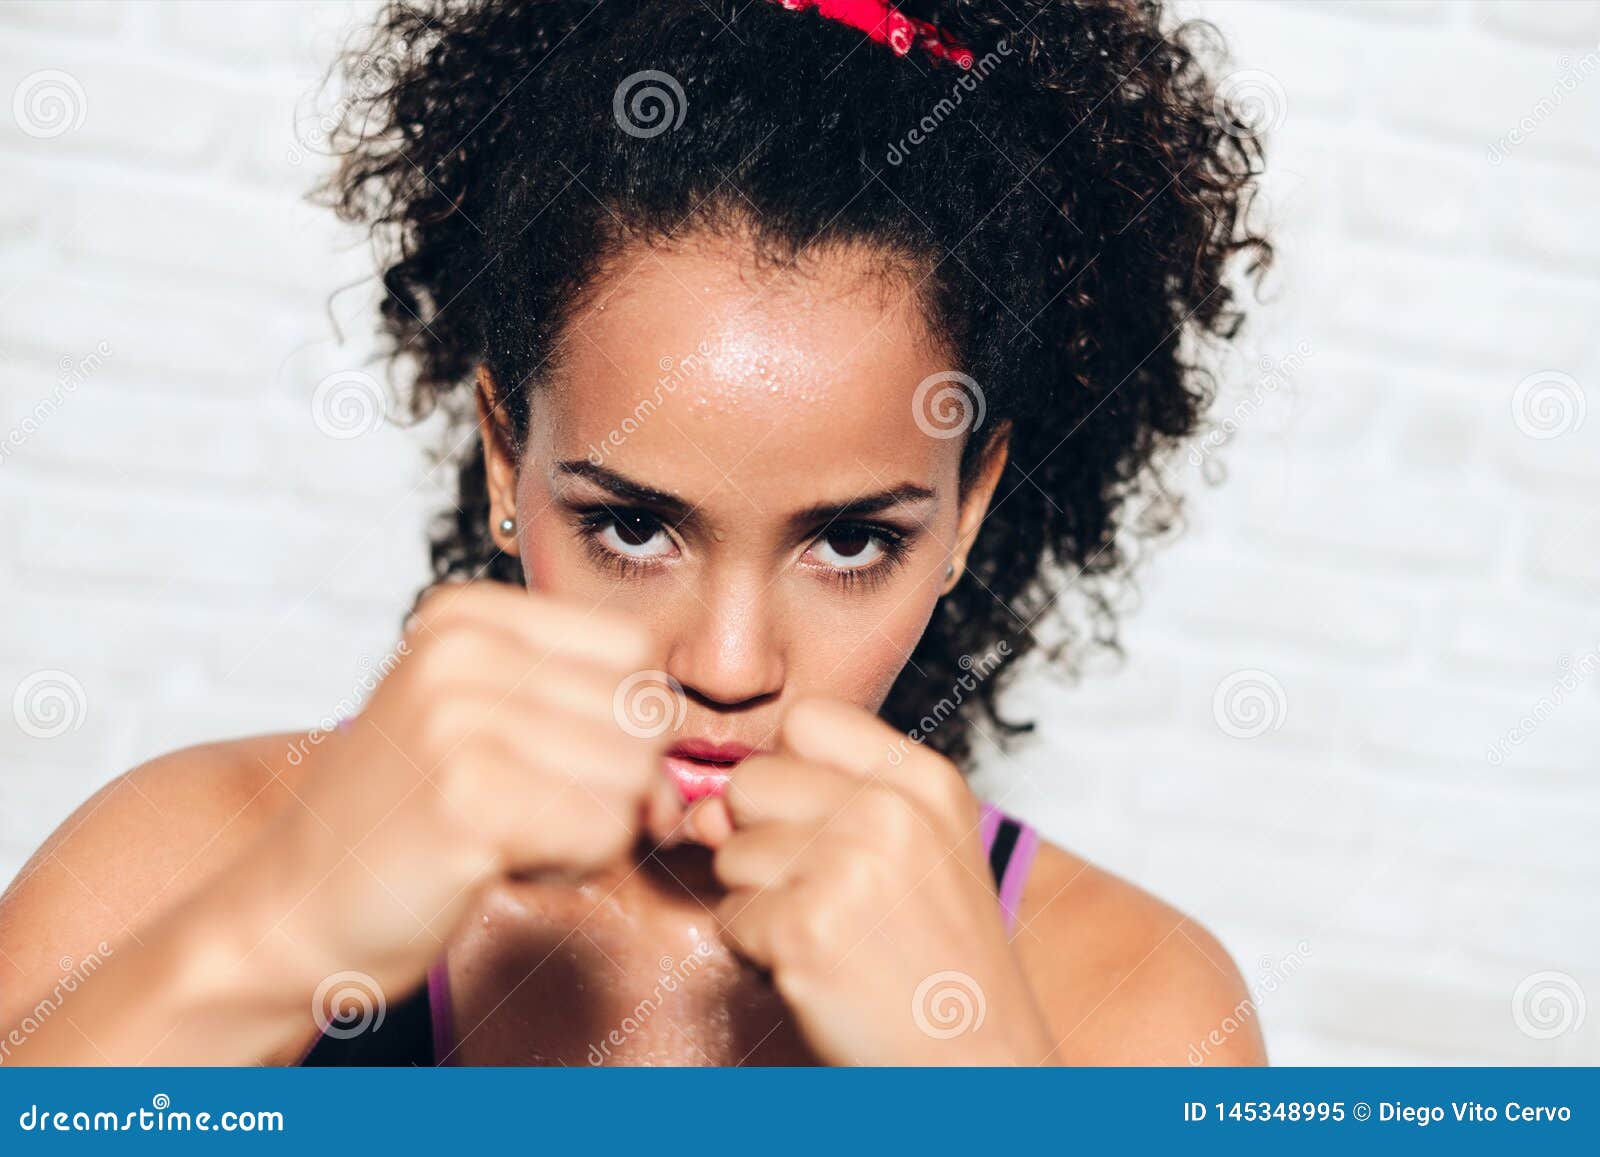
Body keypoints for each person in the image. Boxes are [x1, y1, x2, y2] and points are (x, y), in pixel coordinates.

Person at [0, 0, 1271, 1066]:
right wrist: (269, 940)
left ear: (968, 506)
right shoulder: (183, 858)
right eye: (632, 525)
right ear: (506, 451)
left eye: (848, 543)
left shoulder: (1129, 1003)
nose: (725, 663)